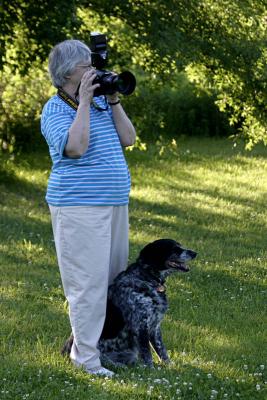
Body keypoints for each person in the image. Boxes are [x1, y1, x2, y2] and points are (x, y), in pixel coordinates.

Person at [41, 39, 136, 377]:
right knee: (88, 284)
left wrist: (111, 99)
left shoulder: (100, 106)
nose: (94, 73)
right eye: (87, 68)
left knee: (113, 282)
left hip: (113, 203)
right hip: (79, 207)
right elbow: (76, 148)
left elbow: (129, 139)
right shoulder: (55, 110)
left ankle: (106, 349)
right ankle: (85, 360)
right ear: (69, 74)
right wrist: (82, 103)